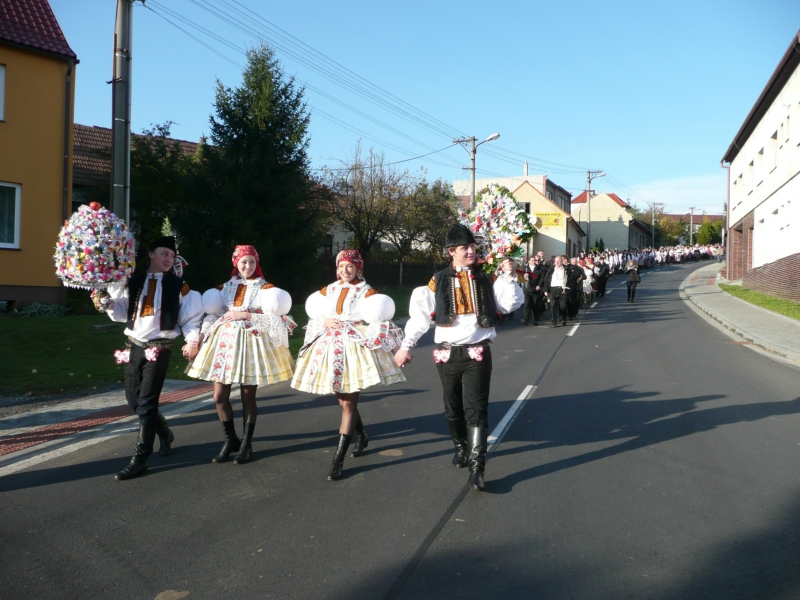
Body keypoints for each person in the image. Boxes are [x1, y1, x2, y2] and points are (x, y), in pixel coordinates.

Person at [393, 225, 522, 492]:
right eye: (465, 248)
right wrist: (406, 346)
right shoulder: (437, 280)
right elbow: (420, 318)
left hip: (477, 351)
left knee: (476, 409)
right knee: (452, 406)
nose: (471, 251)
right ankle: (461, 447)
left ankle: (477, 468)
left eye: (473, 246)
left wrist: (510, 276)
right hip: (447, 352)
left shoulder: (487, 277)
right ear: (452, 251)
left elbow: (509, 305)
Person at [95, 236, 204, 480]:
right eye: (164, 254)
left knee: (146, 402)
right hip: (133, 345)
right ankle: (164, 432)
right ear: (151, 255)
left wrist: (192, 341)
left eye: (172, 256)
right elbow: (122, 312)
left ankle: (141, 458)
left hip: (159, 346)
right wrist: (108, 303)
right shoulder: (133, 281)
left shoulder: (179, 286)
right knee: (134, 401)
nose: (168, 259)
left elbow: (190, 318)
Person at [291, 250, 405, 480]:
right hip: (330, 347)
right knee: (343, 401)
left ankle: (338, 459)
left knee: (348, 404)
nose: (345, 270)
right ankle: (362, 436)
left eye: (350, 266)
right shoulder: (329, 290)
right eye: (341, 266)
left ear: (358, 268)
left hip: (354, 347)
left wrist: (397, 349)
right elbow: (315, 315)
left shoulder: (367, 291)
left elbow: (381, 320)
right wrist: (324, 320)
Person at [187, 245, 295, 464]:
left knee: (248, 397)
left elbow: (276, 319)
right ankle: (230, 439)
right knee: (219, 397)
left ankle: (246, 443)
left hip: (251, 344)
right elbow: (213, 315)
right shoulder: (224, 288)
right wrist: (198, 338)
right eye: (244, 262)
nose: (248, 266)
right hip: (224, 344)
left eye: (252, 262)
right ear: (236, 263)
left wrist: (245, 315)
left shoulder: (265, 288)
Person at [495, 257, 524, 325]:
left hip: (510, 295)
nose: (510, 264)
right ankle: (501, 318)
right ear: (503, 266)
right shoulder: (499, 276)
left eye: (511, 263)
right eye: (507, 263)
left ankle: (506, 316)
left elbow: (512, 276)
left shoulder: (513, 274)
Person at [543, 255, 569, 327]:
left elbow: (570, 279)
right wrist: (546, 290)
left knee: (563, 306)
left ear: (562, 261)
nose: (557, 262)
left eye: (558, 261)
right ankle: (553, 322)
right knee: (553, 306)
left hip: (563, 289)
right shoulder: (551, 269)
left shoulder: (566, 269)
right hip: (553, 289)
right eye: (556, 261)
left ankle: (563, 318)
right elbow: (546, 280)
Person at [521, 254, 546, 325]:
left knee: (535, 304)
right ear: (529, 261)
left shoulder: (539, 268)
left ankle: (535, 319)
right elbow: (520, 276)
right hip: (527, 289)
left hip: (535, 289)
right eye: (532, 260)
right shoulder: (525, 268)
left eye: (534, 260)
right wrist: (524, 276)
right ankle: (525, 319)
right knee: (527, 304)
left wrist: (539, 285)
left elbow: (542, 278)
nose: (534, 262)